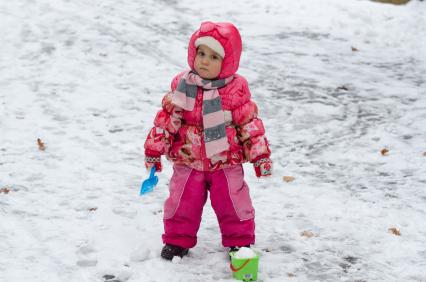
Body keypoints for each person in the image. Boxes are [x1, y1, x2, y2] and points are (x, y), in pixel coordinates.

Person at [143, 21, 272, 260]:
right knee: (182, 202)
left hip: (225, 160)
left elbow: (250, 126)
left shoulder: (235, 92)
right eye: (201, 53)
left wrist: (260, 155)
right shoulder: (183, 87)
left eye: (214, 57)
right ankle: (177, 241)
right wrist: (154, 149)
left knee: (233, 202)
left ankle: (239, 242)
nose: (204, 61)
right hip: (188, 160)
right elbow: (166, 121)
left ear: (228, 61)